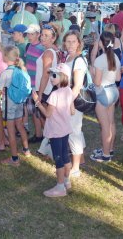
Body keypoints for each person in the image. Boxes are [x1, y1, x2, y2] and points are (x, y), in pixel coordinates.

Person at [32, 63, 74, 197]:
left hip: (56, 131)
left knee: (58, 159)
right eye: (51, 74)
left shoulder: (54, 95)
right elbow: (72, 111)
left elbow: (48, 114)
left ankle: (60, 187)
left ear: (63, 77)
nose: (51, 77)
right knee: (65, 156)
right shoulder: (69, 91)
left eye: (54, 75)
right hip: (65, 129)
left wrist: (37, 102)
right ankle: (67, 181)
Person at [90, 32, 121, 162]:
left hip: (103, 93)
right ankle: (110, 148)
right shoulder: (115, 57)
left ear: (101, 43)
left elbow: (97, 82)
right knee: (111, 123)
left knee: (105, 126)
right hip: (113, 91)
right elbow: (118, 77)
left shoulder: (99, 60)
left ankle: (106, 154)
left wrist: (92, 73)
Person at [0, 46, 31, 166]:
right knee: (20, 126)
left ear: (5, 57)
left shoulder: (5, 73)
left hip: (9, 105)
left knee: (11, 131)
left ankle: (14, 159)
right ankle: (26, 150)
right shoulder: (22, 69)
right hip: (20, 103)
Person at [63, 30, 87, 176]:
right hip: (69, 99)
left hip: (74, 101)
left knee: (74, 132)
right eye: (68, 41)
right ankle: (81, 158)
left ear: (79, 43)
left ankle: (76, 167)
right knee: (75, 129)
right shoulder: (68, 57)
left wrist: (68, 103)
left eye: (73, 41)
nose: (71, 44)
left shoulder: (78, 60)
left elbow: (77, 86)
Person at [24, 24, 45, 143]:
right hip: (30, 85)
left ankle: (47, 136)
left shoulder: (42, 49)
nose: (29, 36)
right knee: (33, 112)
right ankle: (38, 135)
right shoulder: (29, 46)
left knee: (40, 112)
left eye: (32, 34)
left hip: (37, 85)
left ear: (38, 34)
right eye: (28, 34)